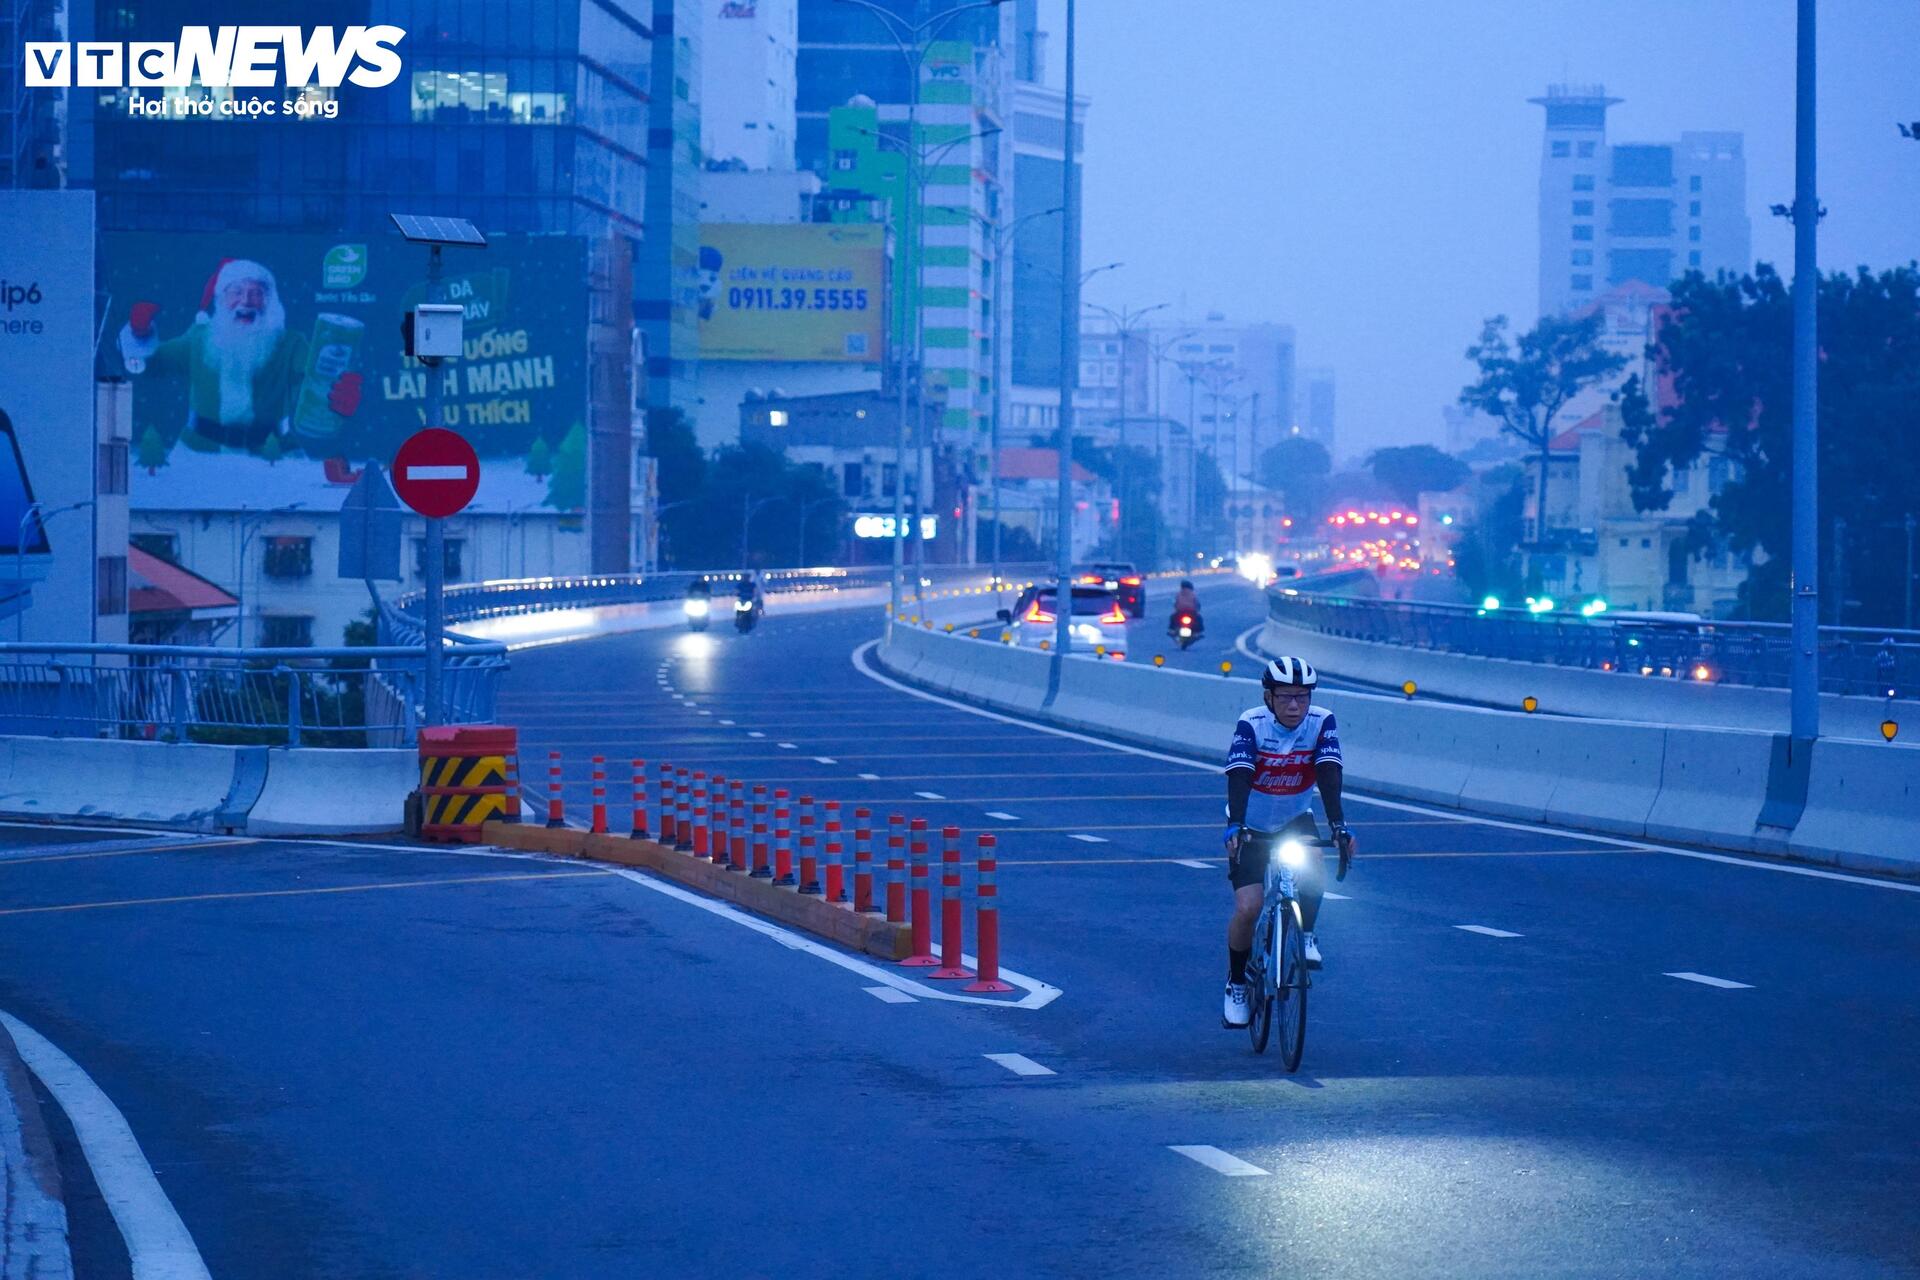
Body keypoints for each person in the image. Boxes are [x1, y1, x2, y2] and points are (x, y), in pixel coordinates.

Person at [1220, 655, 1357, 1029]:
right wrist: (1235, 825)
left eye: (1302, 696)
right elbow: (1240, 776)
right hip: (1251, 822)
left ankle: (1306, 933)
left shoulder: (1321, 721)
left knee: (1313, 867)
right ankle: (1235, 983)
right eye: (1285, 697)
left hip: (1296, 819)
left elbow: (1329, 774)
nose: (1295, 705)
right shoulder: (1252, 723)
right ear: (1269, 697)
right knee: (1248, 908)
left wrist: (1340, 827)